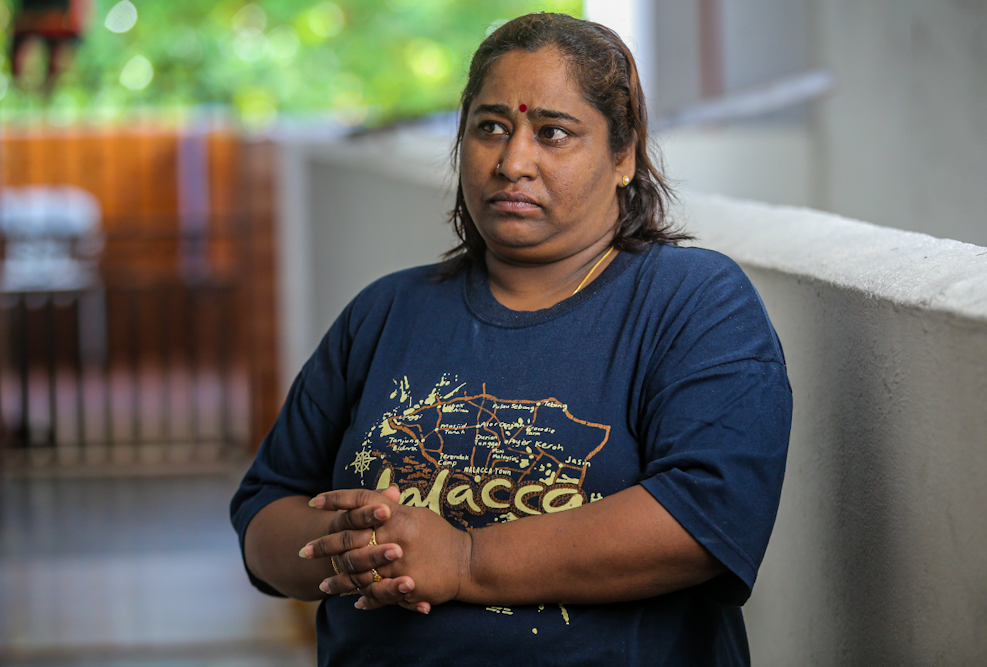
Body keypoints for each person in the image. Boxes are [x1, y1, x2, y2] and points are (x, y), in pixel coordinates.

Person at [231, 12, 792, 666]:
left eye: (553, 132)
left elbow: (708, 518)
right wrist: (364, 548)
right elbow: (265, 511)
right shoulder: (386, 312)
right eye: (490, 127)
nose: (512, 161)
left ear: (624, 155)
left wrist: (465, 559)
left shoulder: (694, 302)